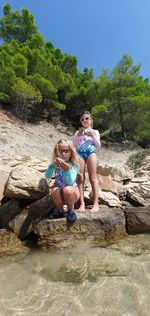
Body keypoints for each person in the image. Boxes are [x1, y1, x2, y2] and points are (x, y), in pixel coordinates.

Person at [45, 139, 80, 223]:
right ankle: (60, 211)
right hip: (60, 194)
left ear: (71, 152)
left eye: (66, 151)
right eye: (60, 151)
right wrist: (52, 166)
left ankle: (71, 211)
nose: (63, 154)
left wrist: (66, 171)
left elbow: (70, 182)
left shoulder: (73, 165)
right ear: (57, 152)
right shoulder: (56, 164)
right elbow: (47, 176)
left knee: (67, 189)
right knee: (54, 190)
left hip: (72, 193)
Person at [73, 111, 101, 213]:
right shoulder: (78, 132)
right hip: (80, 153)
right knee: (80, 178)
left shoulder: (95, 132)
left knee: (93, 178)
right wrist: (78, 135)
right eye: (82, 119)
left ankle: (96, 203)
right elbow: (74, 145)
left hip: (91, 153)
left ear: (91, 120)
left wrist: (92, 135)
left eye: (87, 118)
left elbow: (98, 146)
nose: (85, 120)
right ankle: (82, 203)